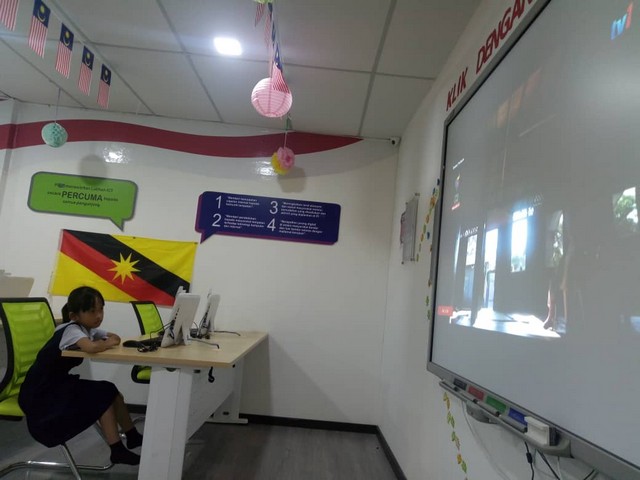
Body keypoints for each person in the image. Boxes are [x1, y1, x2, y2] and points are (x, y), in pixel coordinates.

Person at [18, 286, 143, 465]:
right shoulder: (71, 330)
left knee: (111, 391)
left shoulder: (87, 329)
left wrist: (105, 341)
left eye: (101, 309)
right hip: (40, 394)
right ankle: (117, 450)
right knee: (104, 393)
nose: (99, 316)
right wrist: (105, 343)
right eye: (92, 311)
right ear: (74, 316)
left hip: (57, 384)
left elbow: (114, 337)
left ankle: (132, 436)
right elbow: (91, 347)